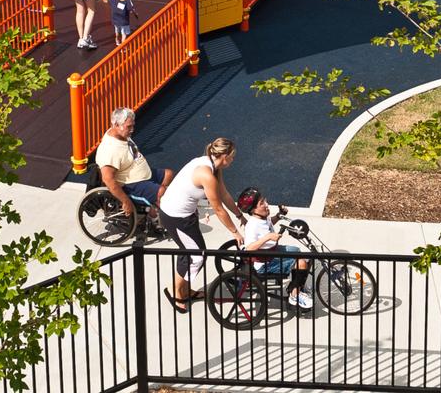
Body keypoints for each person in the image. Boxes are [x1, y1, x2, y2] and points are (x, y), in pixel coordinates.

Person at [158, 137, 246, 313]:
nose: (233, 160)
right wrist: (235, 232)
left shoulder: (213, 166)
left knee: (191, 252)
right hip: (175, 217)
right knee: (197, 256)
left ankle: (185, 289)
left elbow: (224, 194)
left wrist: (239, 215)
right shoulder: (207, 174)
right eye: (232, 156)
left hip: (185, 215)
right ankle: (176, 293)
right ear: (224, 156)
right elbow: (218, 209)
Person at [95, 108, 175, 227]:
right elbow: (108, 180)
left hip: (142, 174)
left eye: (133, 126)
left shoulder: (119, 133)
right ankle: (157, 218)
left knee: (169, 174)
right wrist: (125, 201)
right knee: (162, 191)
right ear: (116, 124)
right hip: (131, 184)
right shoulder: (110, 149)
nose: (132, 130)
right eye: (129, 127)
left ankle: (155, 205)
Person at [236, 187, 313, 310]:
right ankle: (294, 295)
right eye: (262, 203)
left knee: (298, 252)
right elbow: (249, 248)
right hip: (264, 262)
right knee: (302, 263)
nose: (266, 205)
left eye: (265, 200)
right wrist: (267, 238)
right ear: (253, 210)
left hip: (272, 252)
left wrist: (279, 215)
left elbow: (269, 223)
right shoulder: (252, 225)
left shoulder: (262, 217)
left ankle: (295, 285)